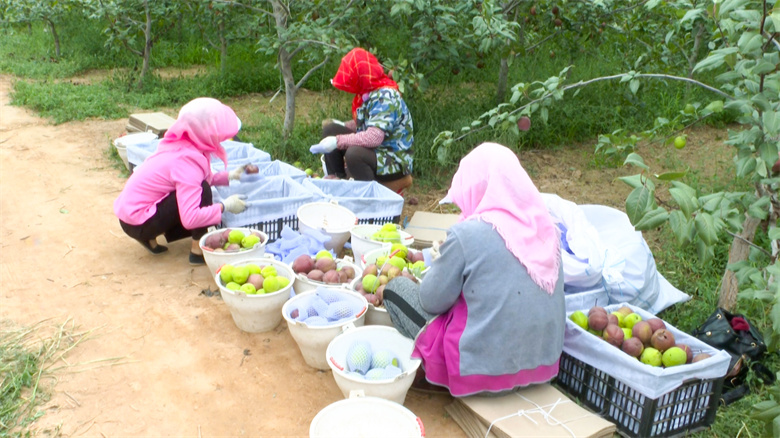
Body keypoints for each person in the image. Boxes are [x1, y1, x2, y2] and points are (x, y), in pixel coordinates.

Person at [382, 142, 565, 397]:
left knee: (395, 289)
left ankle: (431, 373)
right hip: (543, 368)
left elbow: (431, 300)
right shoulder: (547, 231)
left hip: (481, 374)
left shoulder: (468, 234)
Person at [113, 97, 249, 265]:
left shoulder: (182, 144)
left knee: (198, 187)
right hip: (138, 222)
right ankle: (196, 251)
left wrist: (229, 176)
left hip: (130, 215)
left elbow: (197, 177)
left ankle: (149, 238)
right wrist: (224, 206)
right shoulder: (186, 162)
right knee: (203, 190)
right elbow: (190, 217)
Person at [310, 48, 414, 193]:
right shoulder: (369, 93)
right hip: (378, 152)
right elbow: (367, 123)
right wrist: (341, 127)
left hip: (393, 158)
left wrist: (338, 141)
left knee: (354, 154)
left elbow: (374, 136)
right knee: (330, 130)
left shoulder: (385, 96)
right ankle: (338, 180)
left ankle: (368, 197)